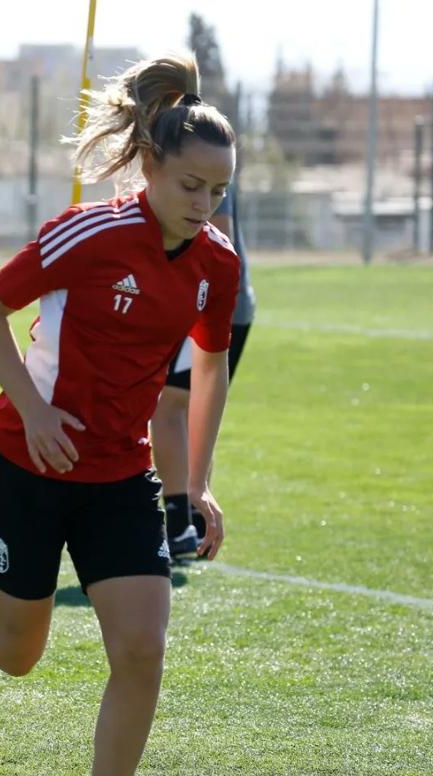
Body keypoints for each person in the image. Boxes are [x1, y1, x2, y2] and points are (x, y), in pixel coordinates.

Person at [0, 53, 239, 776]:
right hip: (24, 463)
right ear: (152, 168)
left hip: (119, 476)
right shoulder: (89, 233)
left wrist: (194, 484)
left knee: (142, 651)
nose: (205, 206)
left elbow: (206, 368)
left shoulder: (216, 265)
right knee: (21, 653)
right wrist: (33, 411)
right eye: (191, 187)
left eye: (220, 191)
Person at [151, 182, 255, 560]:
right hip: (224, 303)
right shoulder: (189, 154)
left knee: (168, 405)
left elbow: (219, 236)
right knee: (190, 406)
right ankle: (193, 519)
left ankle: (179, 523)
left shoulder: (193, 156)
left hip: (204, 301)